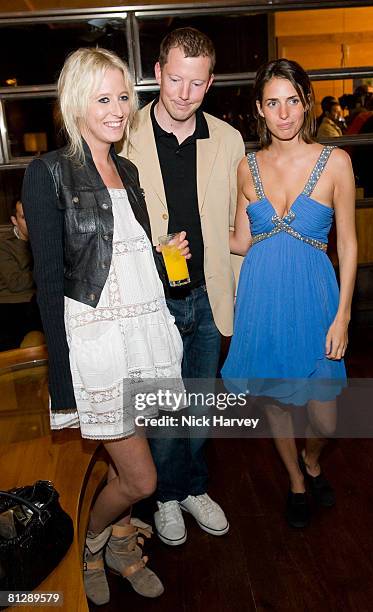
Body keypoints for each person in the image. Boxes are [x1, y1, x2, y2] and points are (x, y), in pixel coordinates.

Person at [22, 47, 189, 605]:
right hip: (98, 345)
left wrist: (160, 249)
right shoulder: (46, 173)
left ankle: (118, 540)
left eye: (123, 97)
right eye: (104, 98)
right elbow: (48, 282)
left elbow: (122, 250)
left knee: (131, 465)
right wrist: (62, 381)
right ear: (75, 102)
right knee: (141, 479)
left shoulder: (131, 170)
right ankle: (91, 543)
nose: (119, 109)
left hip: (141, 337)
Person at [222, 58, 357, 528]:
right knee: (277, 403)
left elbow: (350, 245)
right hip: (262, 300)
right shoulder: (247, 167)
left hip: (317, 302)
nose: (283, 113)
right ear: (260, 109)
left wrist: (341, 317)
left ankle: (313, 460)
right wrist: (189, 237)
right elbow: (240, 240)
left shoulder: (335, 161)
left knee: (326, 421)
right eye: (273, 103)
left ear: (305, 104)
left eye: (292, 102)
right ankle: (296, 482)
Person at [122, 27, 245, 545]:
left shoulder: (229, 138)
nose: (183, 93)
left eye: (196, 84)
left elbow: (240, 224)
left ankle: (193, 487)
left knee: (199, 402)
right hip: (152, 302)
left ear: (210, 82)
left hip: (207, 295)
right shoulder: (123, 135)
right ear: (156, 74)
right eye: (175, 80)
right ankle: (166, 497)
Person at [0, 199, 42, 350]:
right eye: (24, 217)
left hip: (36, 302)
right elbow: (15, 283)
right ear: (14, 220)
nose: (30, 222)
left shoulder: (45, 242)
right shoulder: (5, 246)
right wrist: (44, 273)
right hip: (11, 305)